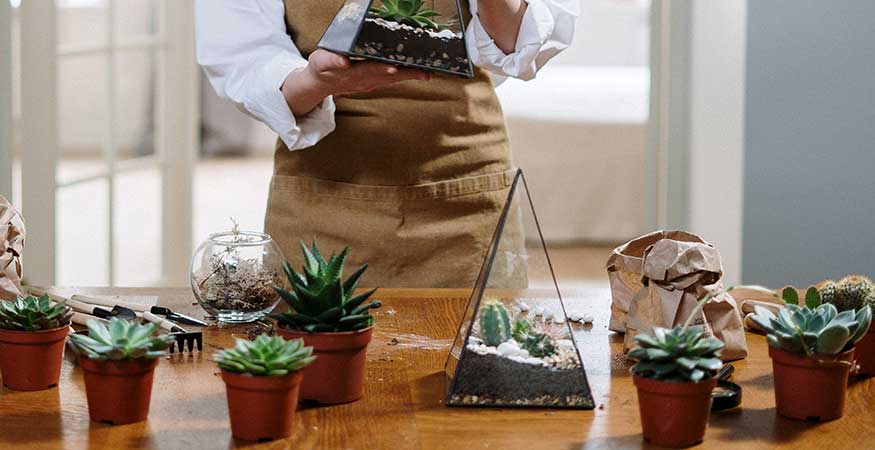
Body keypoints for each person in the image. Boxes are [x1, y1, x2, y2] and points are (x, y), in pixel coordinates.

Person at [195, 0, 577, 288]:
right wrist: (317, 81)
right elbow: (243, 58)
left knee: (481, 378)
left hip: (467, 198)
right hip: (322, 200)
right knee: (316, 384)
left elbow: (524, 45)